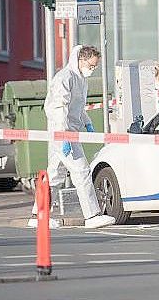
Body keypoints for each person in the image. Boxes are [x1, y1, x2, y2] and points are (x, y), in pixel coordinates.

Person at [27, 45, 116, 229]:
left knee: (54, 175)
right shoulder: (65, 78)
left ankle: (38, 215)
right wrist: (64, 134)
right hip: (63, 132)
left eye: (95, 67)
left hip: (67, 132)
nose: (92, 69)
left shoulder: (80, 79)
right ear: (81, 60)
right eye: (91, 65)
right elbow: (59, 108)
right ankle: (92, 215)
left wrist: (87, 122)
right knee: (82, 171)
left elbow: (78, 106)